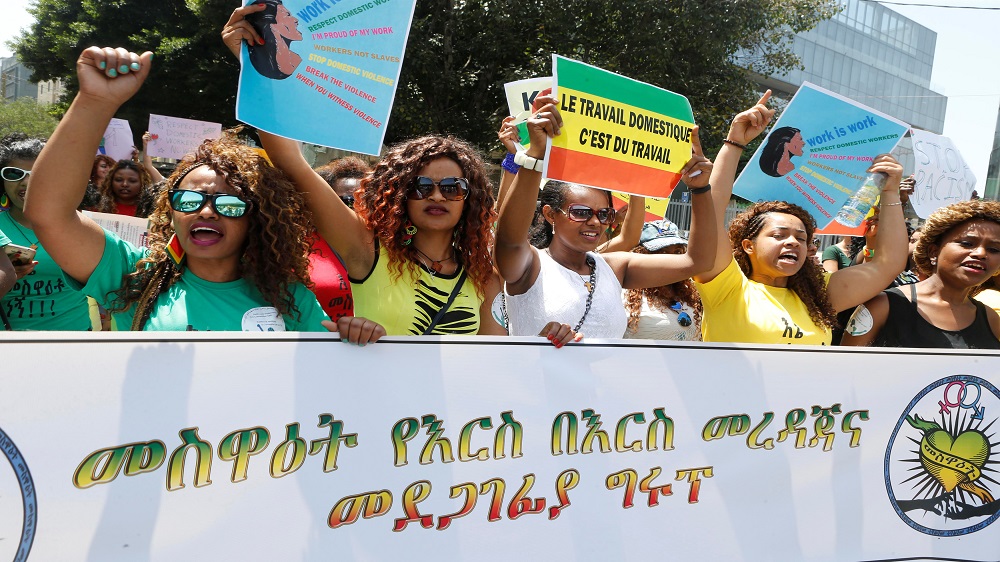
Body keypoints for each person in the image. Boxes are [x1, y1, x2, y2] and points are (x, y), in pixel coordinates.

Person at [24, 46, 329, 332]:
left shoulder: (290, 298)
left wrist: (352, 339)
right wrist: (94, 101)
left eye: (229, 204)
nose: (206, 212)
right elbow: (49, 214)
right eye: (189, 200)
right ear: (170, 212)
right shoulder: (136, 277)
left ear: (256, 218)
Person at [494, 95, 716, 346]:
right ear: (550, 214)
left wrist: (700, 189)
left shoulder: (614, 267)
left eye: (604, 214)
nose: (595, 222)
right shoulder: (528, 264)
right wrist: (535, 156)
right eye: (581, 212)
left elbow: (698, 261)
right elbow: (509, 238)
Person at [693, 91, 908, 345]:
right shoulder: (726, 286)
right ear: (748, 245)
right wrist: (735, 142)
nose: (793, 242)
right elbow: (711, 214)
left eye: (802, 238)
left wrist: (890, 191)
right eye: (779, 235)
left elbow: (889, 264)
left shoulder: (819, 295)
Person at [842, 200, 1000, 349]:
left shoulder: (992, 320)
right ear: (933, 251)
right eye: (967, 243)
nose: (981, 253)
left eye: (994, 249)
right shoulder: (882, 307)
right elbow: (844, 365)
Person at [0, 135, 95, 330]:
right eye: (14, 174)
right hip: (10, 341)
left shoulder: (81, 225)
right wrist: (6, 277)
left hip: (73, 337)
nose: (26, 182)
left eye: (38, 173)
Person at [309, 157, 370, 321]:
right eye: (348, 201)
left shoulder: (387, 246)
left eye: (365, 201)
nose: (356, 209)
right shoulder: (301, 246)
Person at [623, 220, 703, 341]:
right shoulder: (622, 294)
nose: (672, 259)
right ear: (641, 254)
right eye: (663, 252)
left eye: (678, 252)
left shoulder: (691, 294)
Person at [238, 0, 302, 80]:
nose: (296, 20)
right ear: (273, 26)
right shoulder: (265, 65)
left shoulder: (297, 59)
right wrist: (240, 52)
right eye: (288, 15)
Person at [92, 159, 156, 217]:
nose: (124, 184)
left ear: (142, 183)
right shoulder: (97, 207)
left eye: (132, 181)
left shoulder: (152, 211)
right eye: (119, 180)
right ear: (110, 181)